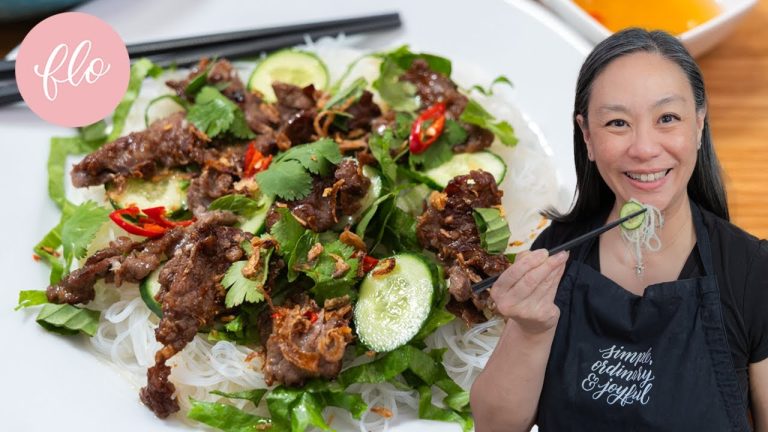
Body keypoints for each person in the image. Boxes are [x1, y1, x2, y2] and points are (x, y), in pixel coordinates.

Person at [470, 28, 768, 432]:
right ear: (588, 136)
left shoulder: (751, 270)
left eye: (667, 118)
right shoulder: (555, 254)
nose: (644, 148)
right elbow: (495, 426)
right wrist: (529, 327)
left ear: (699, 125)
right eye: (617, 122)